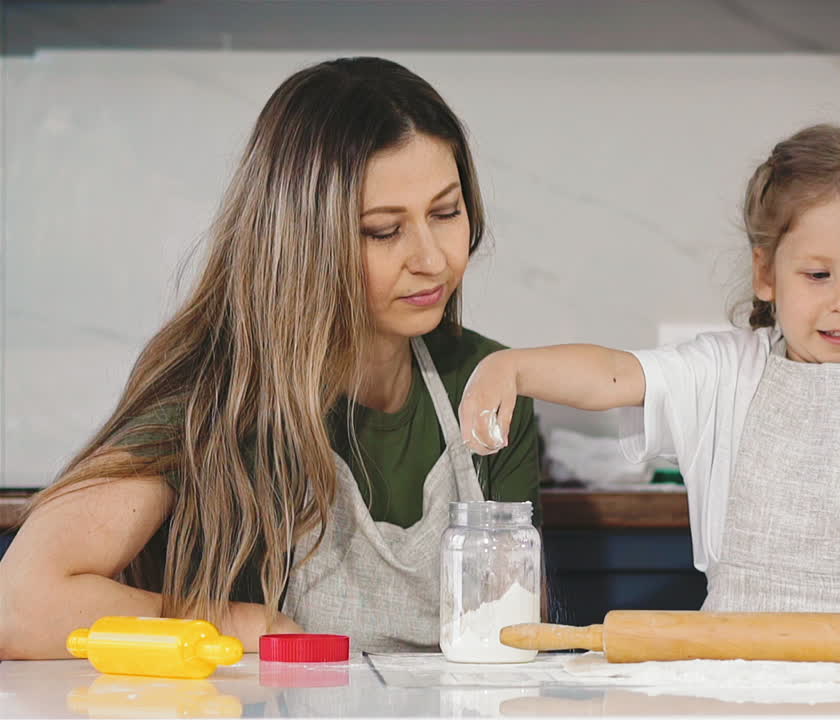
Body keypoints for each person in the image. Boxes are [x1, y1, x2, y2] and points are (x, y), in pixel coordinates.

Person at [0, 57, 541, 658]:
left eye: (445, 213)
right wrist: (246, 625)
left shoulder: (491, 383)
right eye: (383, 231)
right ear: (304, 238)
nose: (432, 259)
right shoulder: (214, 395)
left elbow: (516, 639)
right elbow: (19, 603)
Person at [459, 124, 840, 632]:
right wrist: (511, 366)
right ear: (767, 274)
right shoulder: (724, 372)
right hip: (734, 682)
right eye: (818, 274)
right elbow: (611, 375)